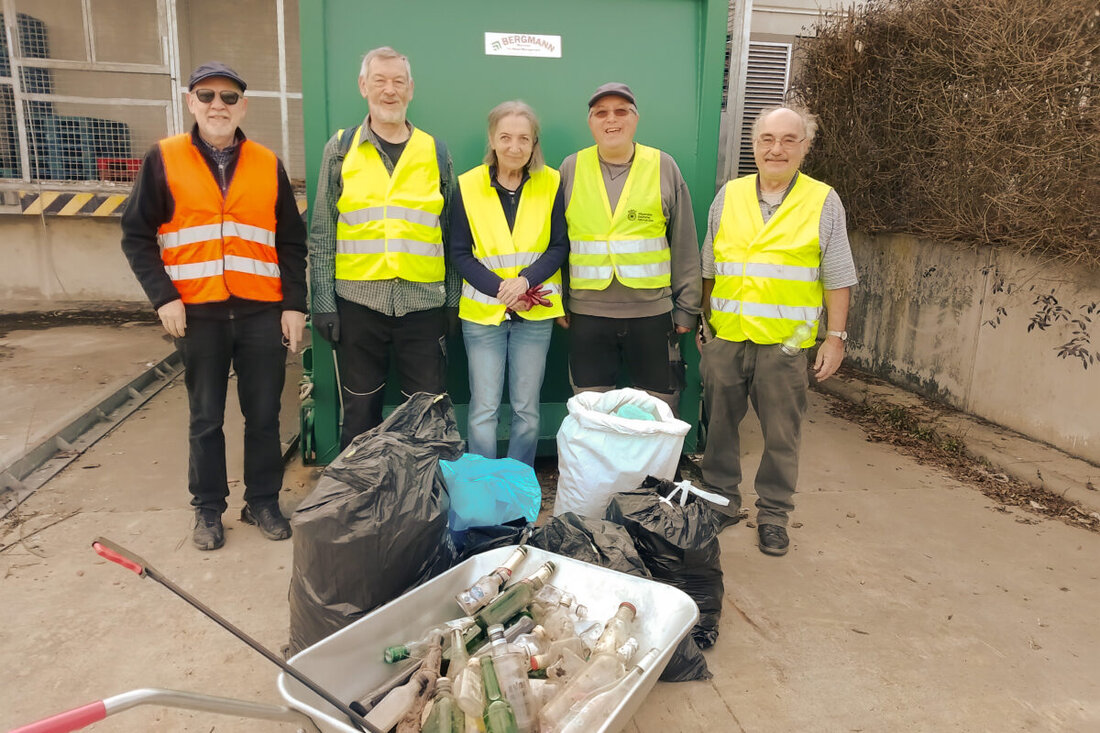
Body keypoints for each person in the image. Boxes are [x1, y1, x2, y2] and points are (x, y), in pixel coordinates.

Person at [121, 62, 307, 551]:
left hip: (260, 310)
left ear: (243, 106)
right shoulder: (163, 159)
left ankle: (262, 501)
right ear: (191, 102)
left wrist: (294, 305)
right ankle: (207, 509)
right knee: (205, 416)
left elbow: (291, 240)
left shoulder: (267, 163)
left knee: (264, 414)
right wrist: (164, 297)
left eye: (228, 98)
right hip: (197, 311)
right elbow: (136, 236)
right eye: (207, 96)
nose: (217, 106)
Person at [699, 105, 858, 556]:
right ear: (754, 146)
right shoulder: (728, 196)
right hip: (727, 338)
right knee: (720, 431)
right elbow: (711, 264)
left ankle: (773, 514)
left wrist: (836, 336)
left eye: (790, 139)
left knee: (781, 436)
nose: (777, 148)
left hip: (786, 346)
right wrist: (702, 321)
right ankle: (720, 501)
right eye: (768, 139)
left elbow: (838, 273)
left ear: (805, 147)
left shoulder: (823, 200)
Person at [308, 46, 457, 449]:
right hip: (358, 304)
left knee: (426, 417)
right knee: (359, 414)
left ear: (411, 90)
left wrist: (453, 303)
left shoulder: (436, 152)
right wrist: (322, 302)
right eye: (379, 81)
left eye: (398, 82)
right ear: (363, 86)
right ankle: (356, 504)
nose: (389, 91)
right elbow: (322, 232)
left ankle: (421, 505)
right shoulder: (339, 150)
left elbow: (451, 233)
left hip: (423, 305)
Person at [558, 82, 701, 414]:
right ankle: (596, 470)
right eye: (601, 113)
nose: (612, 120)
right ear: (590, 122)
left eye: (621, 111)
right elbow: (556, 242)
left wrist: (687, 307)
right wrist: (557, 299)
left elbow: (683, 241)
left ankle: (656, 470)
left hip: (652, 315)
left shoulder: (664, 166)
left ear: (635, 119)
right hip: (587, 316)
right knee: (590, 413)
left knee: (659, 411)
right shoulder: (570, 168)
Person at [450, 101, 568, 466]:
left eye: (523, 138)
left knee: (527, 410)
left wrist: (525, 282)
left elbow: (559, 245)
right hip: (483, 314)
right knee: (484, 410)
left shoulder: (552, 182)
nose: (514, 146)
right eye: (505, 137)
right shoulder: (467, 185)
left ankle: (517, 490)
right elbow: (459, 252)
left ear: (534, 143)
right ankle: (482, 493)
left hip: (534, 314)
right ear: (492, 139)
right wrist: (503, 290)